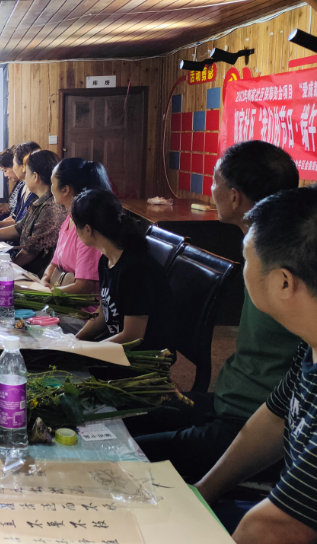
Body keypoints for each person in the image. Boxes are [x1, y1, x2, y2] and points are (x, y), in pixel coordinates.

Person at [131, 140, 301, 482]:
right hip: (226, 403)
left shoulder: (285, 269)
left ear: (235, 196)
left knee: (120, 457)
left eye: (214, 182)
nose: (211, 190)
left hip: (248, 424)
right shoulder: (270, 246)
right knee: (114, 416)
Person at [195, 186, 317, 542]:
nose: (242, 269)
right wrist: (204, 490)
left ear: (283, 282)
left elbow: (276, 527)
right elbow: (274, 419)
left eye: (248, 259)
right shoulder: (309, 344)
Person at [71, 189, 176, 353]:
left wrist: (88, 352)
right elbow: (103, 312)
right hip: (119, 349)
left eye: (75, 226)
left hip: (143, 357)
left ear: (87, 229)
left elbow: (133, 337)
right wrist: (74, 341)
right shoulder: (106, 259)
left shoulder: (137, 269)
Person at [0, 150, 66, 276]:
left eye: (26, 172)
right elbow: (19, 227)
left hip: (35, 274)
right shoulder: (39, 201)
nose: (23, 177)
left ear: (35, 177)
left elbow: (30, 252)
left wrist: (6, 269)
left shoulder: (50, 208)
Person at [41, 158, 112, 295]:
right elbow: (54, 263)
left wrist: (48, 293)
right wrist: (44, 281)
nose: (50, 188)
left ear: (65, 189)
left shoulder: (87, 229)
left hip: (83, 306)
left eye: (52, 183)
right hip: (61, 293)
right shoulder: (69, 218)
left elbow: (84, 287)